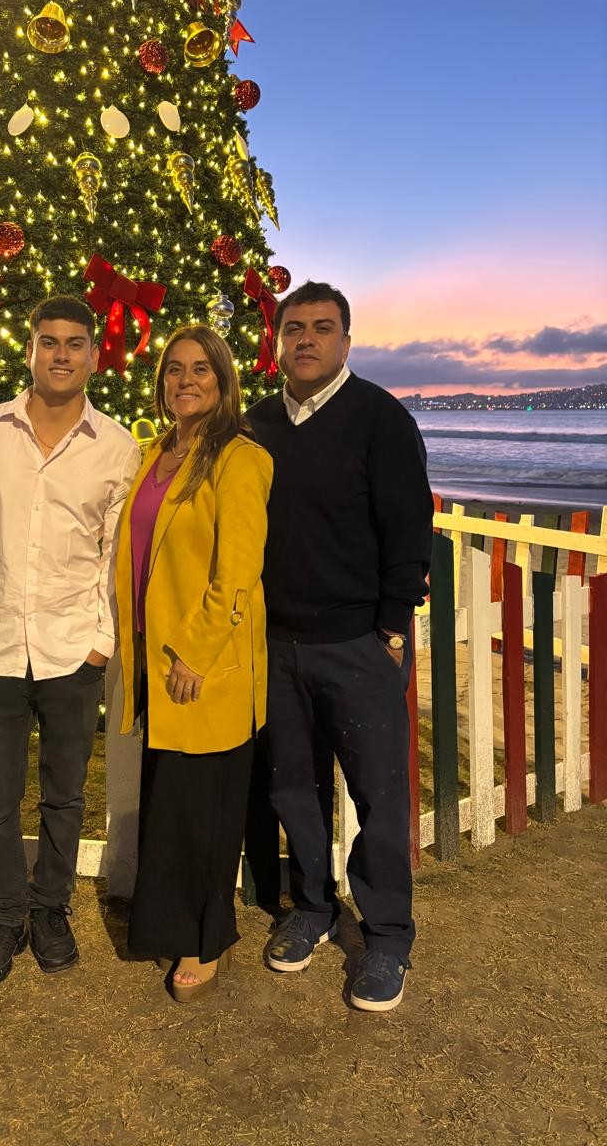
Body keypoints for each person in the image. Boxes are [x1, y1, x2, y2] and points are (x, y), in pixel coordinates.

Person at [247, 282, 432, 1012]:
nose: (307, 340)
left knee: (379, 799)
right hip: (276, 644)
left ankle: (386, 937)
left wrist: (392, 629)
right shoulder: (257, 424)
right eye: (294, 328)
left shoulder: (380, 418)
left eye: (322, 328)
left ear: (346, 341)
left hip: (359, 644)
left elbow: (408, 529)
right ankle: (314, 909)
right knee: (294, 789)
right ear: (278, 342)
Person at [0, 296, 141, 987]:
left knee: (64, 796)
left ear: (93, 354)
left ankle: (51, 907)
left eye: (75, 343)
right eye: (49, 341)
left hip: (71, 649)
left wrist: (101, 643)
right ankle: (5, 916)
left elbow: (115, 556)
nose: (61, 354)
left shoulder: (116, 447)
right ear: (29, 348)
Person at [115, 326, 273, 1002]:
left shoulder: (240, 458)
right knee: (171, 804)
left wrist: (196, 652)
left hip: (201, 663)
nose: (186, 380)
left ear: (223, 380)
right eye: (175, 369)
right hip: (153, 655)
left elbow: (237, 573)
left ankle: (207, 939)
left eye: (201, 368)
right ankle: (171, 922)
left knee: (204, 809)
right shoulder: (155, 453)